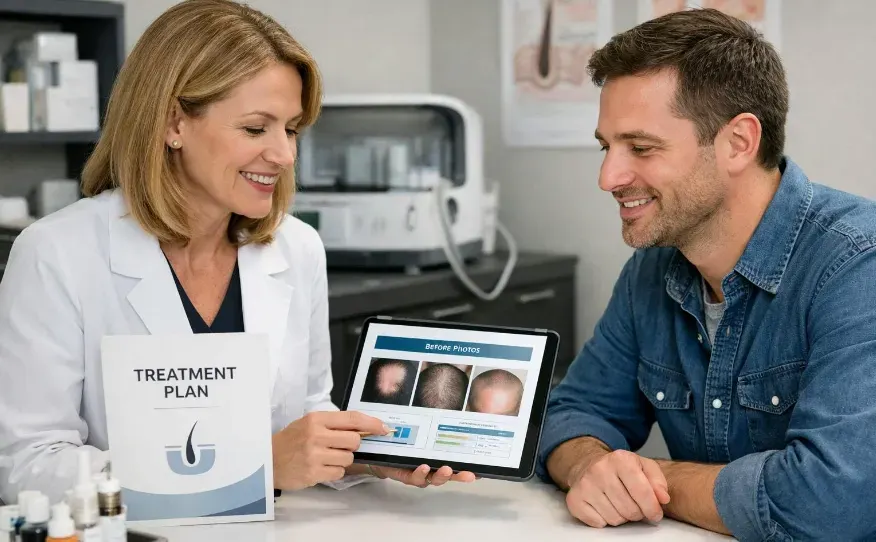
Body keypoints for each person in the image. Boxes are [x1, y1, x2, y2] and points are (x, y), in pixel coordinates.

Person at [0, 0, 475, 505]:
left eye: (290, 129)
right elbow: (28, 463)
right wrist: (257, 463)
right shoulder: (58, 254)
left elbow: (305, 413)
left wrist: (359, 452)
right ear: (172, 123)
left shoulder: (297, 248)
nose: (285, 155)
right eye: (255, 128)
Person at [535, 8, 876, 542]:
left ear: (739, 142)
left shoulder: (858, 264)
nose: (608, 177)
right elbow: (572, 413)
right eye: (607, 147)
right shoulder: (651, 270)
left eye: (641, 148)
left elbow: (831, 505)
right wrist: (587, 466)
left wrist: (646, 478)